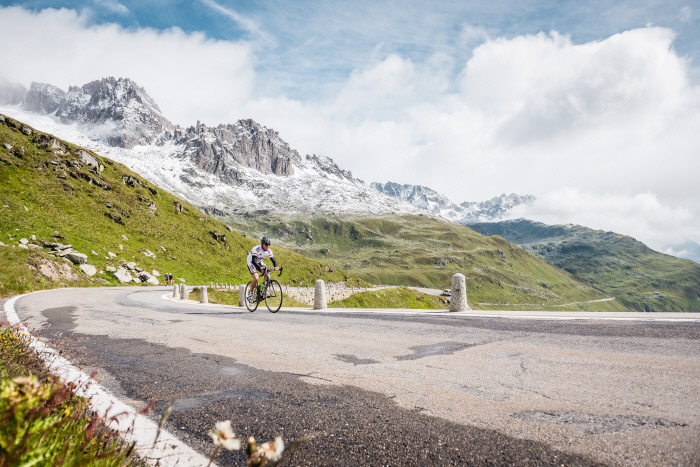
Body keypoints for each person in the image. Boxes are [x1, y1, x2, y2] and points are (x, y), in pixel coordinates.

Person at [247, 236, 279, 302]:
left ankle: (263, 289)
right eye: (266, 244)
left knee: (267, 273)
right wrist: (259, 268)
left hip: (259, 261)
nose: (268, 246)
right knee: (256, 278)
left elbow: (273, 260)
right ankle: (251, 294)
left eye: (269, 245)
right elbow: (254, 261)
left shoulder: (269, 251)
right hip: (251, 262)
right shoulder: (256, 249)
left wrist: (276, 266)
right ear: (262, 244)